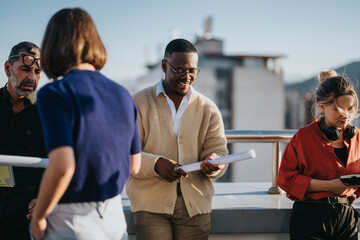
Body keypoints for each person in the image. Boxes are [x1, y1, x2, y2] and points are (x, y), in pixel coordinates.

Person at [30, 8, 141, 240]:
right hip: (113, 218)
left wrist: (40, 217)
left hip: (70, 220)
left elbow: (62, 166)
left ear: (53, 44)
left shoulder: (54, 93)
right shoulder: (122, 94)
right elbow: (134, 165)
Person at [126, 38, 228, 240]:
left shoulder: (209, 108)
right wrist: (156, 165)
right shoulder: (138, 102)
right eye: (179, 70)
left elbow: (220, 151)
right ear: (164, 66)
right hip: (149, 205)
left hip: (196, 205)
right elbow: (126, 152)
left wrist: (214, 162)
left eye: (192, 71)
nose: (186, 77)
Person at [278, 70, 360, 240]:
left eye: (350, 108)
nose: (346, 115)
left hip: (346, 217)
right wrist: (330, 186)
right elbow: (286, 179)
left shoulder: (357, 137)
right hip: (310, 216)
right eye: (338, 109)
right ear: (322, 107)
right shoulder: (303, 137)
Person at [0, 41, 46, 240]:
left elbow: (62, 162)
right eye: (26, 69)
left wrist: (46, 199)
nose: (32, 77)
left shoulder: (48, 113)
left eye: (37, 71)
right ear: (8, 68)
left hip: (31, 211)